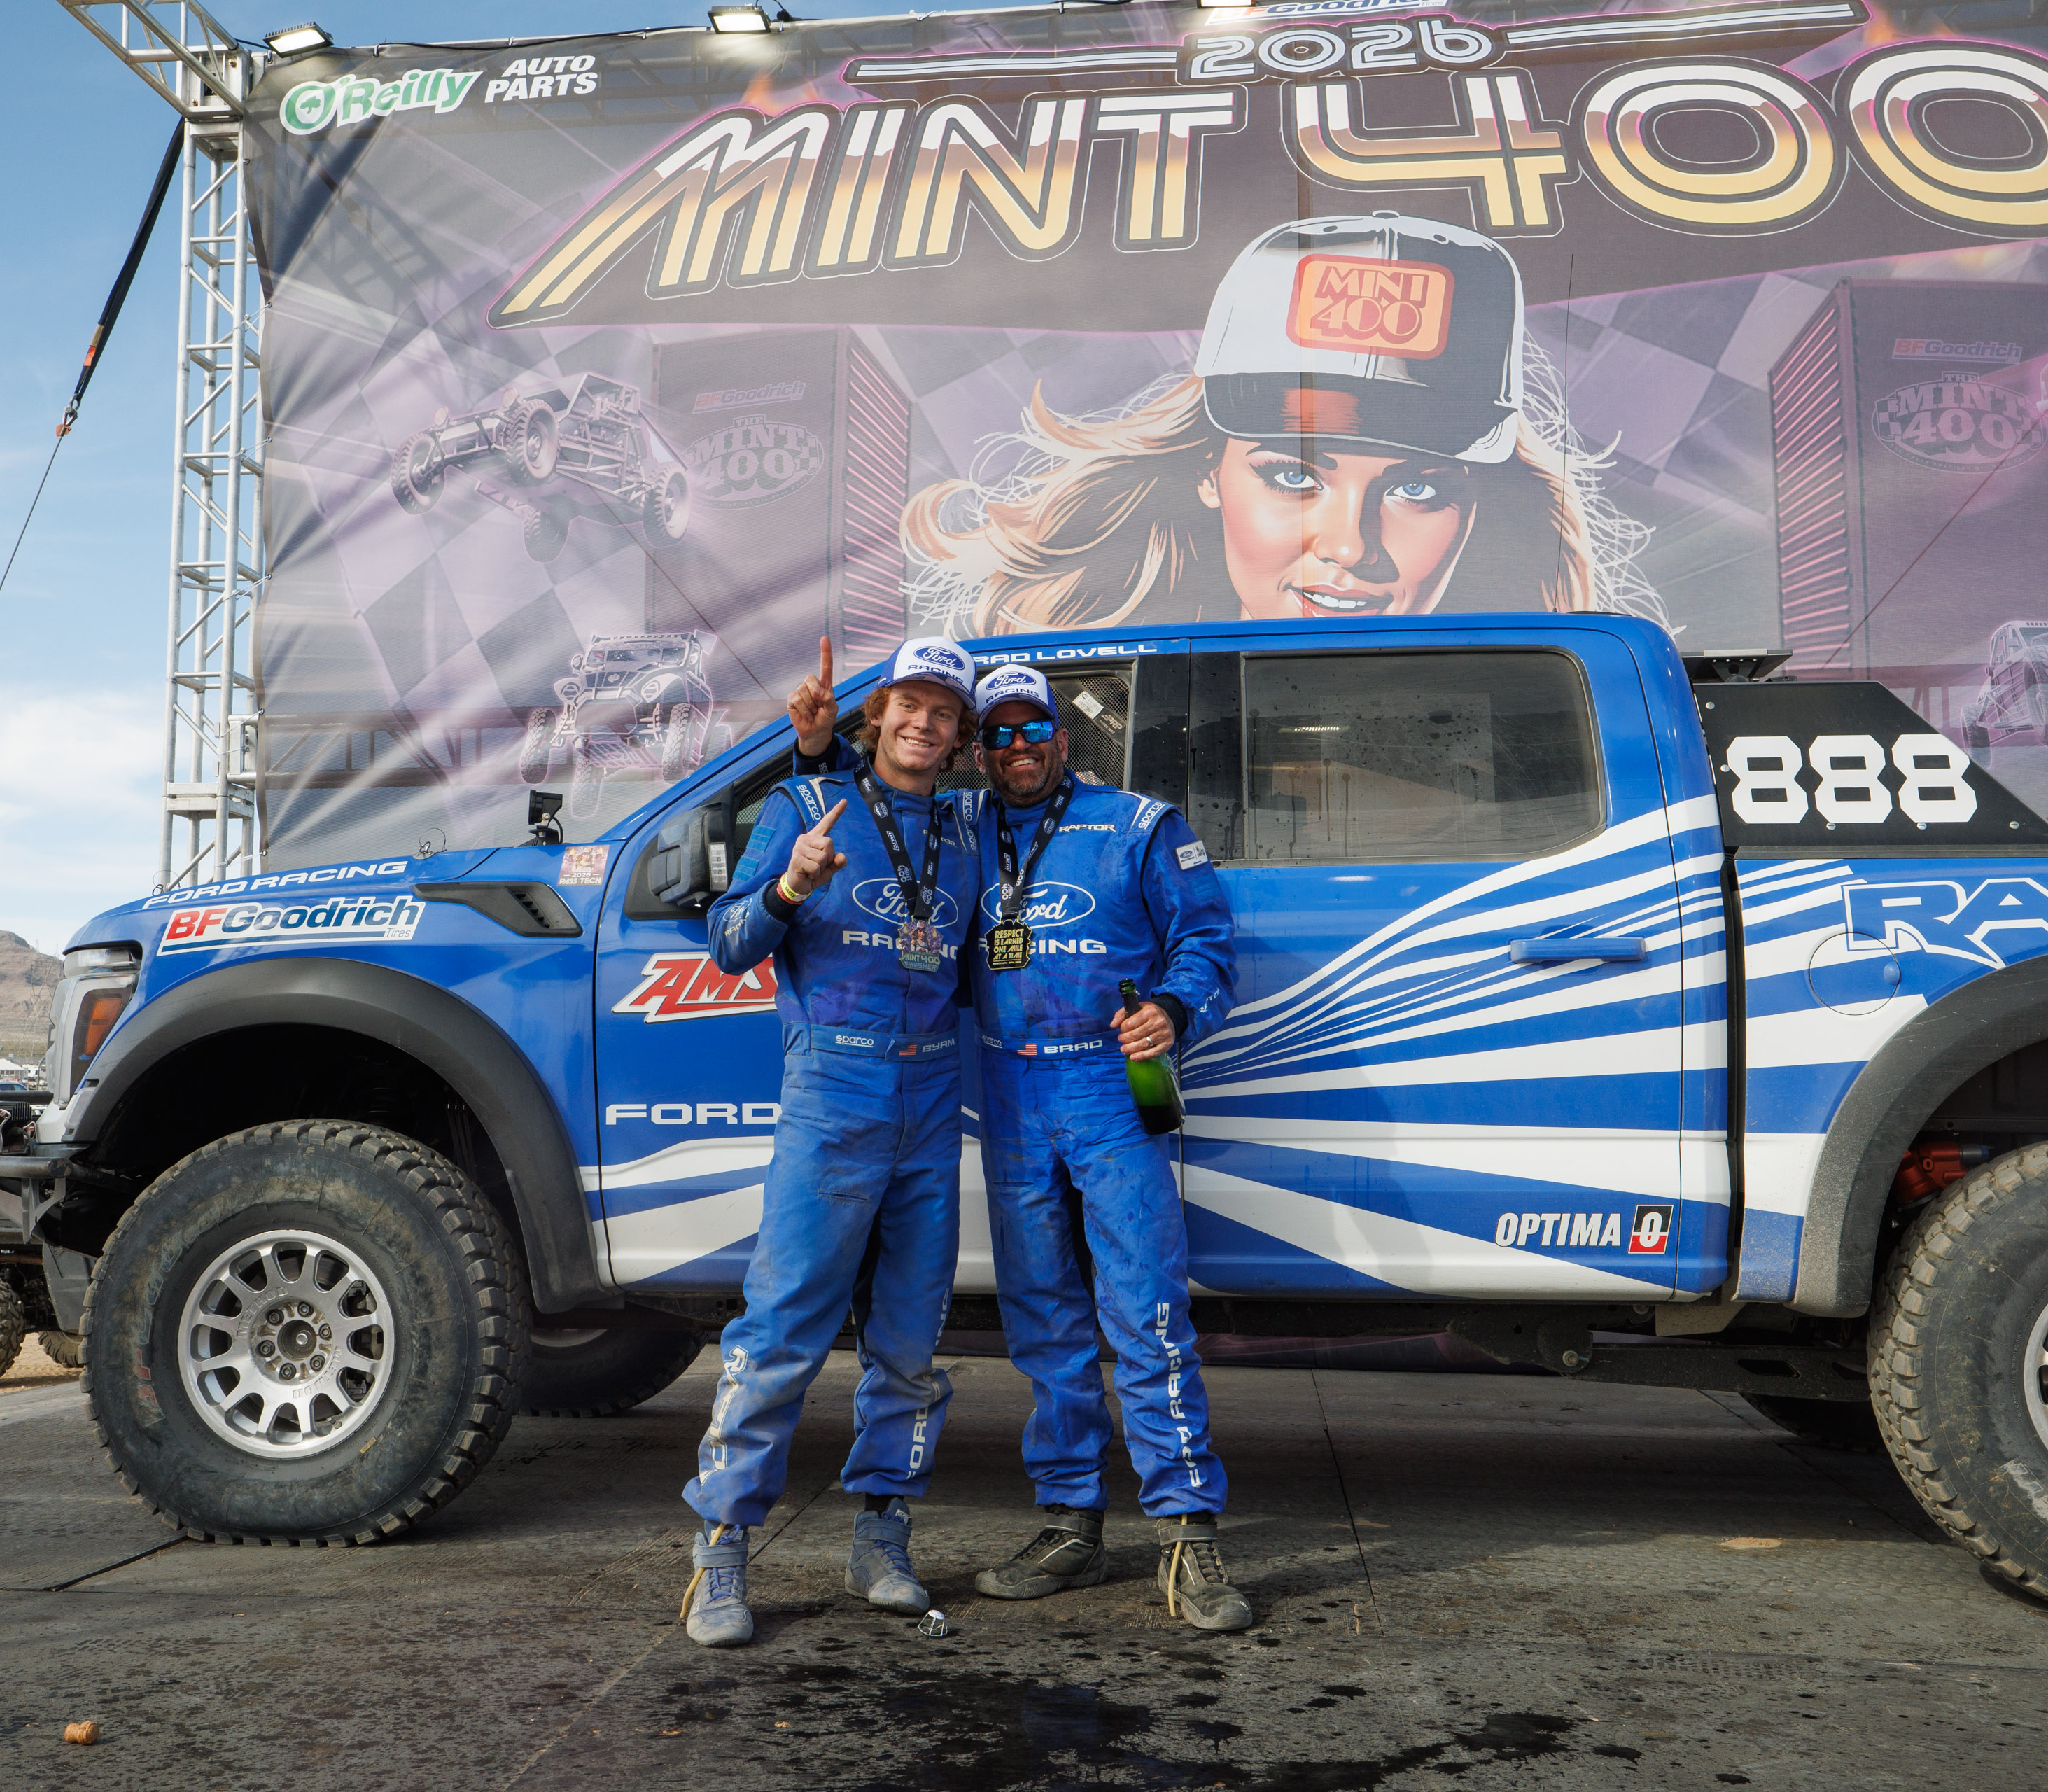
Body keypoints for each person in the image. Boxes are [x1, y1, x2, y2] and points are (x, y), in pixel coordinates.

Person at [904, 213, 1662, 634]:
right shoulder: (1069, 702)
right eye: (1295, 474)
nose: (1348, 546)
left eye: (1419, 489)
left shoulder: (1560, 721)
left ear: (1478, 509)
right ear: (1208, 469)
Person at [678, 635, 983, 1648]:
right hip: (834, 1088)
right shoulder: (804, 811)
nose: (923, 723)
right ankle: (721, 1548)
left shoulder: (968, 829)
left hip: (933, 1096)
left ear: (958, 734)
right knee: (781, 1335)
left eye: (944, 711)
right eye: (908, 704)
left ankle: (882, 1538)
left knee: (908, 1342)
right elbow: (728, 947)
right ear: (878, 713)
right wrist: (788, 887)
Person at [957, 664, 1248, 1630]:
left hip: (1108, 1084)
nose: (1016, 751)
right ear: (978, 749)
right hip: (1006, 1083)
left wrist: (1170, 1008)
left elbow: (1208, 942)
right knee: (1042, 1316)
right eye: (995, 736)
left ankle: (1189, 1534)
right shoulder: (960, 832)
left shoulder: (1138, 826)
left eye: (1031, 730)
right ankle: (1071, 1525)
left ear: (1061, 735)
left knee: (1145, 1305)